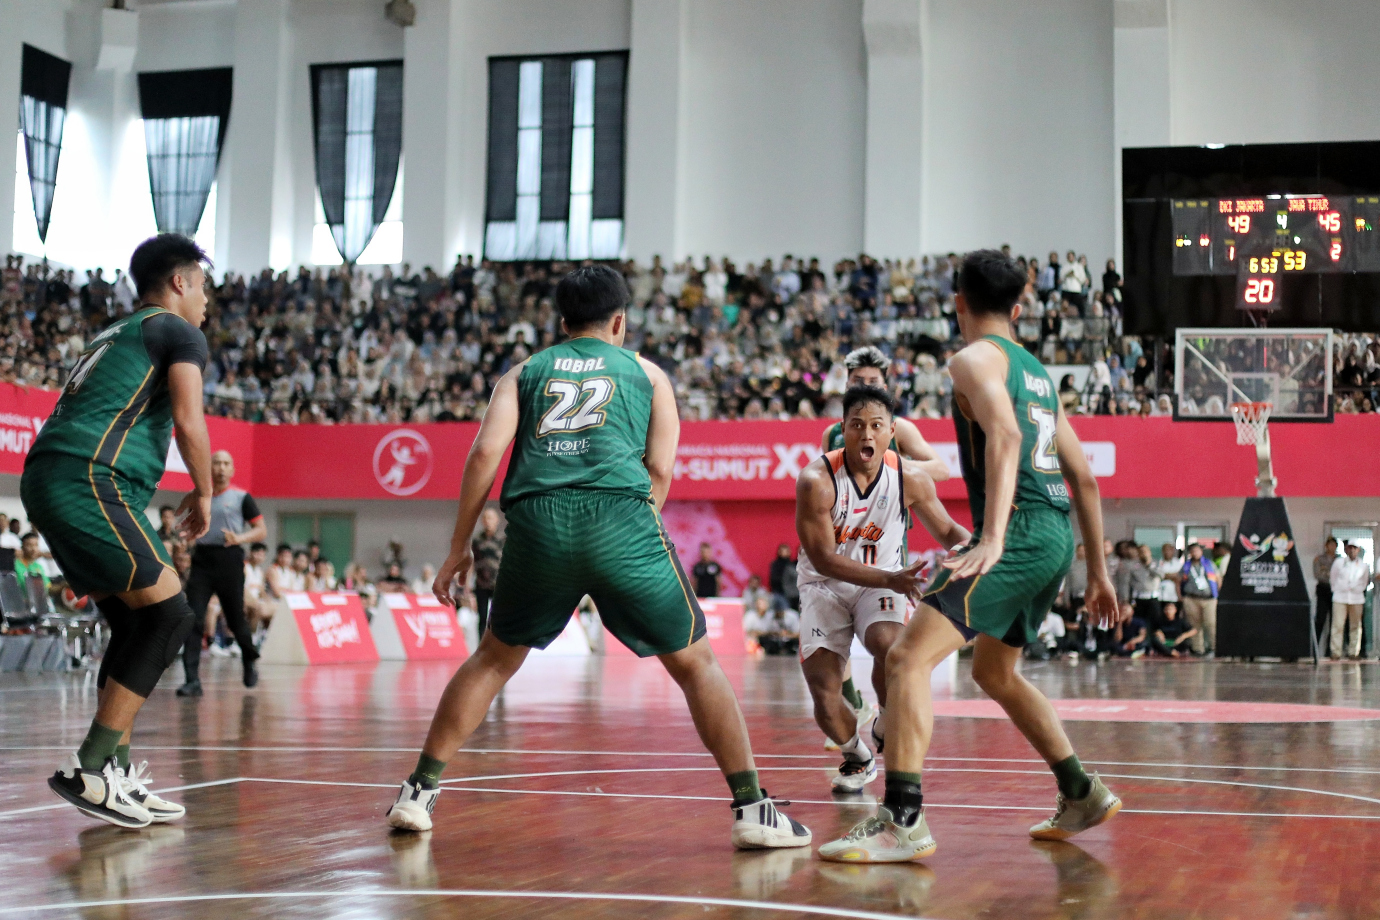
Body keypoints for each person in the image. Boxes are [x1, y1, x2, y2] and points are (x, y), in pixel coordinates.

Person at [385, 265, 810, 849]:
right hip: (622, 520)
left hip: (539, 524)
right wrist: (630, 529)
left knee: (492, 660)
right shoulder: (648, 374)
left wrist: (459, 547)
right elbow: (661, 468)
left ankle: (417, 793)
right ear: (619, 321)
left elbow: (484, 454)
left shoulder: (523, 372)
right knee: (697, 665)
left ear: (562, 323)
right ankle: (753, 809)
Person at [819, 250, 1123, 863]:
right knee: (994, 672)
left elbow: (1006, 435)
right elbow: (1085, 479)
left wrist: (994, 537)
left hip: (1020, 533)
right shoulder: (1038, 373)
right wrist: (1097, 570)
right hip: (1055, 535)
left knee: (906, 659)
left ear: (958, 302)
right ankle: (1080, 791)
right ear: (1018, 309)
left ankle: (902, 820)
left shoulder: (971, 359)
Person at [21, 233, 213, 829]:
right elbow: (189, 420)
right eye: (203, 286)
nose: (207, 299)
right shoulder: (179, 331)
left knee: (134, 623)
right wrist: (205, 490)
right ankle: (90, 766)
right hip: (87, 476)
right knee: (171, 615)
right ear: (179, 282)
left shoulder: (115, 332)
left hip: (53, 475)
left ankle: (114, 775)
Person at [796, 386, 970, 794]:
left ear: (892, 432)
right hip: (825, 585)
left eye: (876, 426)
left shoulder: (910, 478)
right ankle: (857, 754)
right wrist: (890, 579)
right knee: (824, 692)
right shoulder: (815, 481)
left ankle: (886, 718)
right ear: (843, 430)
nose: (867, 434)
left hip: (881, 581)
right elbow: (823, 559)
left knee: (889, 645)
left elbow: (948, 530)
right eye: (857, 425)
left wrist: (981, 550)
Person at [177, 450, 267, 697]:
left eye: (226, 463)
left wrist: (240, 538)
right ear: (210, 467)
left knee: (235, 618)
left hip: (230, 558)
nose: (221, 468)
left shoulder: (241, 497)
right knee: (193, 618)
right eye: (216, 463)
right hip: (202, 560)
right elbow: (190, 524)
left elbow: (261, 530)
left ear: (232, 469)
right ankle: (192, 680)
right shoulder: (199, 496)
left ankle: (249, 660)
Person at [1330, 542, 1372, 660]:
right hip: (1340, 597)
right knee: (1338, 625)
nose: (1352, 550)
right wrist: (1338, 590)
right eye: (1350, 548)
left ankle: (1353, 652)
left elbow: (1364, 582)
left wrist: (1356, 589)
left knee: (1356, 626)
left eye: (1355, 548)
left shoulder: (1363, 565)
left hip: (1356, 599)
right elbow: (1333, 578)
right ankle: (1336, 652)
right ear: (1346, 549)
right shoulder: (1339, 563)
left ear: (1358, 550)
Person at [1178, 543, 1219, 657]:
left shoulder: (1209, 564)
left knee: (1211, 623)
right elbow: (1179, 580)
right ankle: (1197, 649)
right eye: (1192, 551)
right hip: (1191, 598)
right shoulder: (1186, 566)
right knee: (1194, 624)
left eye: (1197, 550)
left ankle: (1213, 647)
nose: (1195, 553)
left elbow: (1218, 578)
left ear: (1201, 552)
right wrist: (1181, 597)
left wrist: (1217, 594)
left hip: (1209, 598)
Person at [470, 508, 503, 636]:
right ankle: (481, 645)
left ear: (497, 520)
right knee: (482, 617)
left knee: (498, 617)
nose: (488, 521)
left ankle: (498, 644)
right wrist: (467, 586)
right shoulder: (477, 540)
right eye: (485, 518)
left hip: (498, 585)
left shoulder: (503, 539)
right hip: (481, 584)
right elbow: (471, 562)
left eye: (491, 518)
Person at [1313, 537, 1337, 647]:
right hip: (1323, 589)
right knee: (1320, 619)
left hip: (1335, 591)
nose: (1332, 547)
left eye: (1334, 545)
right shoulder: (1319, 559)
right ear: (1326, 546)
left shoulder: (1339, 560)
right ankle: (1314, 647)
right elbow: (1318, 575)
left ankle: (1330, 649)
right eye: (1330, 545)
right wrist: (1330, 576)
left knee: (1334, 621)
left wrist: (1328, 574)